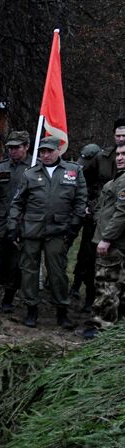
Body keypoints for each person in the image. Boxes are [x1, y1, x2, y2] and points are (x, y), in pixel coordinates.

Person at [8, 133, 87, 329]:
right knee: (29, 271)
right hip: (32, 230)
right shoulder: (30, 174)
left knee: (58, 272)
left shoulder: (73, 171)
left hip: (59, 231)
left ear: (58, 151)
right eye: (42, 151)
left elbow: (80, 201)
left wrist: (74, 226)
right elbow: (17, 202)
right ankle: (31, 309)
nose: (45, 155)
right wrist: (13, 226)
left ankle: (62, 311)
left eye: (49, 151)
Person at [0, 130, 31, 312]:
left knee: (15, 263)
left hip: (22, 221)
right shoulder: (2, 167)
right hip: (0, 220)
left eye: (17, 148)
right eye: (10, 148)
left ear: (26, 147)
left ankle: (8, 298)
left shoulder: (34, 168)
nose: (12, 151)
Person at [85, 142, 125, 336]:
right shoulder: (117, 179)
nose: (119, 157)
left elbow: (122, 213)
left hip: (113, 244)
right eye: (117, 154)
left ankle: (101, 327)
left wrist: (106, 238)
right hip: (109, 239)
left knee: (106, 286)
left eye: (124, 154)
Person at [71, 142, 107, 309]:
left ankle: (89, 294)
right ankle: (75, 285)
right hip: (82, 214)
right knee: (82, 253)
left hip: (97, 219)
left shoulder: (104, 172)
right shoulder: (81, 171)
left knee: (90, 255)